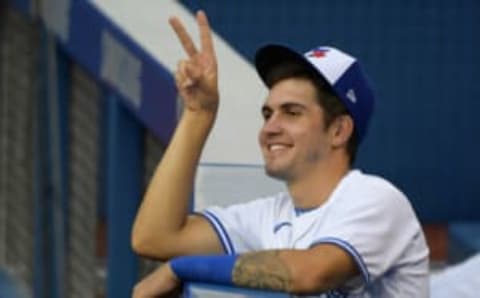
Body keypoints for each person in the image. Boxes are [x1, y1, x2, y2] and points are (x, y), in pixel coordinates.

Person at [131, 10, 429, 297]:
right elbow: (154, 238)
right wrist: (199, 114)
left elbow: (311, 273)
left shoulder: (375, 199)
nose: (269, 128)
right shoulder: (270, 215)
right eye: (267, 113)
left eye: (292, 112)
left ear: (338, 130)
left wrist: (180, 269)